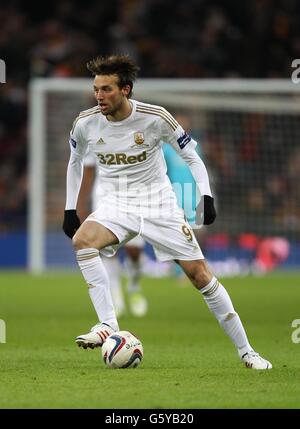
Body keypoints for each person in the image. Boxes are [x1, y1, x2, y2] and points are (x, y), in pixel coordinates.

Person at [63, 54, 272, 369]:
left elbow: (191, 156)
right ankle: (108, 324)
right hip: (116, 202)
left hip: (158, 203)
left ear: (126, 90)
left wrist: (206, 195)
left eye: (106, 89)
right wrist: (70, 208)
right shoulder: (85, 123)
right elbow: (74, 162)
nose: (99, 96)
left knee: (199, 275)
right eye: (96, 89)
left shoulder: (155, 117)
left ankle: (248, 352)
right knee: (82, 241)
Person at [78, 150, 148, 317]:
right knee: (107, 250)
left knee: (134, 250)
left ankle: (134, 286)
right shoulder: (92, 129)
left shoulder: (134, 127)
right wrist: (80, 206)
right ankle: (116, 296)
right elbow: (88, 171)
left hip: (133, 193)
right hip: (104, 195)